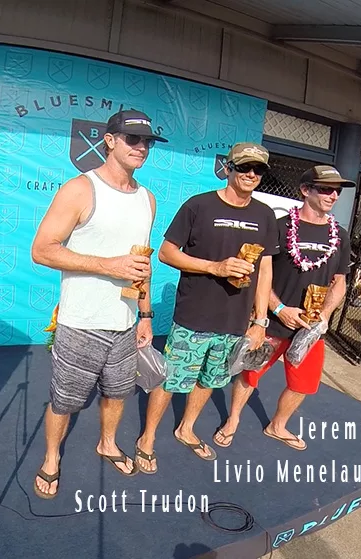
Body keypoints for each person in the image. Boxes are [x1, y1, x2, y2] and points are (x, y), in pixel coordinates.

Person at [30, 110, 166, 499]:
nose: (142, 147)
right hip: (82, 322)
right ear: (109, 141)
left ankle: (107, 443)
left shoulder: (148, 199)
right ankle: (52, 457)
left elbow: (143, 262)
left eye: (147, 141)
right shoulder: (80, 189)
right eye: (133, 139)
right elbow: (42, 250)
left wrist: (145, 315)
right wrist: (108, 265)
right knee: (65, 401)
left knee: (118, 393)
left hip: (126, 323)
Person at [133, 143, 279, 473]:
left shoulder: (265, 215)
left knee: (210, 379)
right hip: (194, 317)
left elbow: (265, 271)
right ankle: (147, 439)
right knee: (171, 380)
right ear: (228, 168)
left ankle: (186, 429)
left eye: (258, 170)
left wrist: (260, 321)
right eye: (244, 167)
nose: (251, 174)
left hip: (235, 321)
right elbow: (166, 253)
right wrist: (215, 267)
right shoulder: (199, 205)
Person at [217, 165, 354, 451]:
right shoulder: (279, 227)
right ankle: (233, 420)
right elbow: (259, 274)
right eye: (325, 189)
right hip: (273, 321)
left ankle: (277, 426)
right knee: (250, 373)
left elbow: (339, 282)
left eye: (337, 191)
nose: (333, 195)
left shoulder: (339, 235)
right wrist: (279, 309)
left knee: (303, 383)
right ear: (305, 190)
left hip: (310, 328)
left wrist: (324, 315)